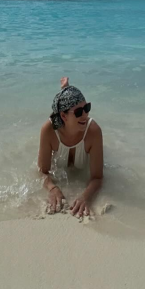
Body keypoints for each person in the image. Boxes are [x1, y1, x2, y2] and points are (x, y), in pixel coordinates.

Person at [38, 77, 103, 218]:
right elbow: (42, 172)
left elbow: (97, 177)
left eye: (87, 108)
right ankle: (65, 89)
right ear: (63, 116)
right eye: (79, 112)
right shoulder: (48, 130)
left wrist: (86, 197)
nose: (85, 115)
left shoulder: (93, 131)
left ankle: (66, 89)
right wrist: (53, 188)